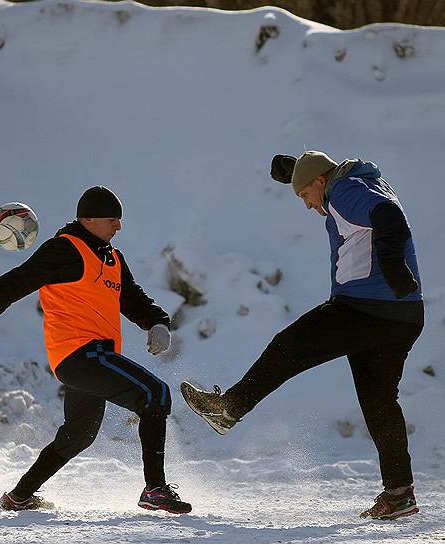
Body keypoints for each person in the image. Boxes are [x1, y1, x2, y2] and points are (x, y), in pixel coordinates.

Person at [180, 150, 424, 520]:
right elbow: (366, 203)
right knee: (380, 404)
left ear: (320, 182)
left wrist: (391, 263)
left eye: (304, 196)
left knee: (288, 346)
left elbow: (389, 216)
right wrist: (294, 170)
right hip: (402, 315)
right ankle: (400, 494)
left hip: (364, 308)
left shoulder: (344, 192)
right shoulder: (358, 183)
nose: (309, 206)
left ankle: (229, 408)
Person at [0, 186, 191, 514]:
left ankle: (19, 496)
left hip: (91, 359)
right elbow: (14, 282)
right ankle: (154, 488)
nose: (119, 226)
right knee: (154, 393)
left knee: (79, 435)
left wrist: (156, 322)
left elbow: (130, 296)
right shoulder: (64, 250)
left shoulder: (112, 257)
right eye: (113, 219)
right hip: (81, 353)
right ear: (88, 219)